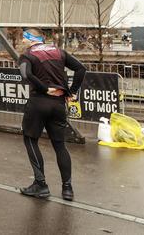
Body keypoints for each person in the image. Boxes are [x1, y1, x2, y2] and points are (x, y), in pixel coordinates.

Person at [18, 28, 86, 202]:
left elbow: (26, 74)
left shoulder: (28, 55)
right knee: (59, 145)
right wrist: (72, 91)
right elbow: (80, 69)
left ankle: (40, 184)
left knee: (30, 139)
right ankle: (67, 188)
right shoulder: (58, 51)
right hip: (58, 104)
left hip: (39, 102)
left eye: (23, 38)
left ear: (29, 39)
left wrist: (43, 88)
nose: (22, 41)